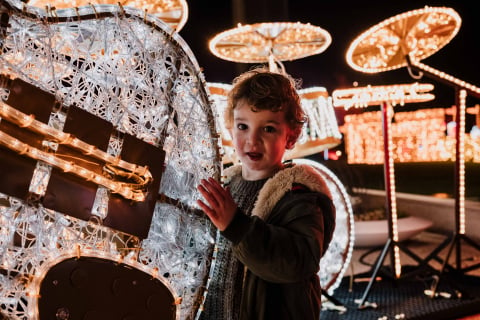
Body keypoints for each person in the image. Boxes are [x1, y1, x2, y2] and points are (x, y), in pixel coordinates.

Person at [196, 66, 336, 320]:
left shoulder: (298, 194)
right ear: (230, 129)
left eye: (268, 128)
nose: (253, 140)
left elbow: (299, 261)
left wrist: (237, 225)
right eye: (243, 126)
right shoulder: (225, 187)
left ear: (291, 137)